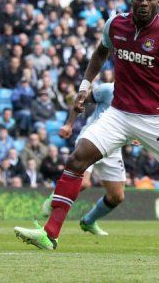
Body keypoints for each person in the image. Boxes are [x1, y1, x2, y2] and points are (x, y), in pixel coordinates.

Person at [14, 0, 159, 250]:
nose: (143, 3)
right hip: (118, 114)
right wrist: (85, 87)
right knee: (76, 159)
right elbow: (100, 53)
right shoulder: (115, 24)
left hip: (154, 119)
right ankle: (50, 234)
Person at [40, 82, 126, 236]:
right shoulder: (108, 89)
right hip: (92, 139)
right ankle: (53, 199)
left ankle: (89, 221)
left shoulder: (140, 97)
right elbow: (81, 100)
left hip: (114, 147)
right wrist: (69, 124)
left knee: (117, 196)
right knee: (84, 182)